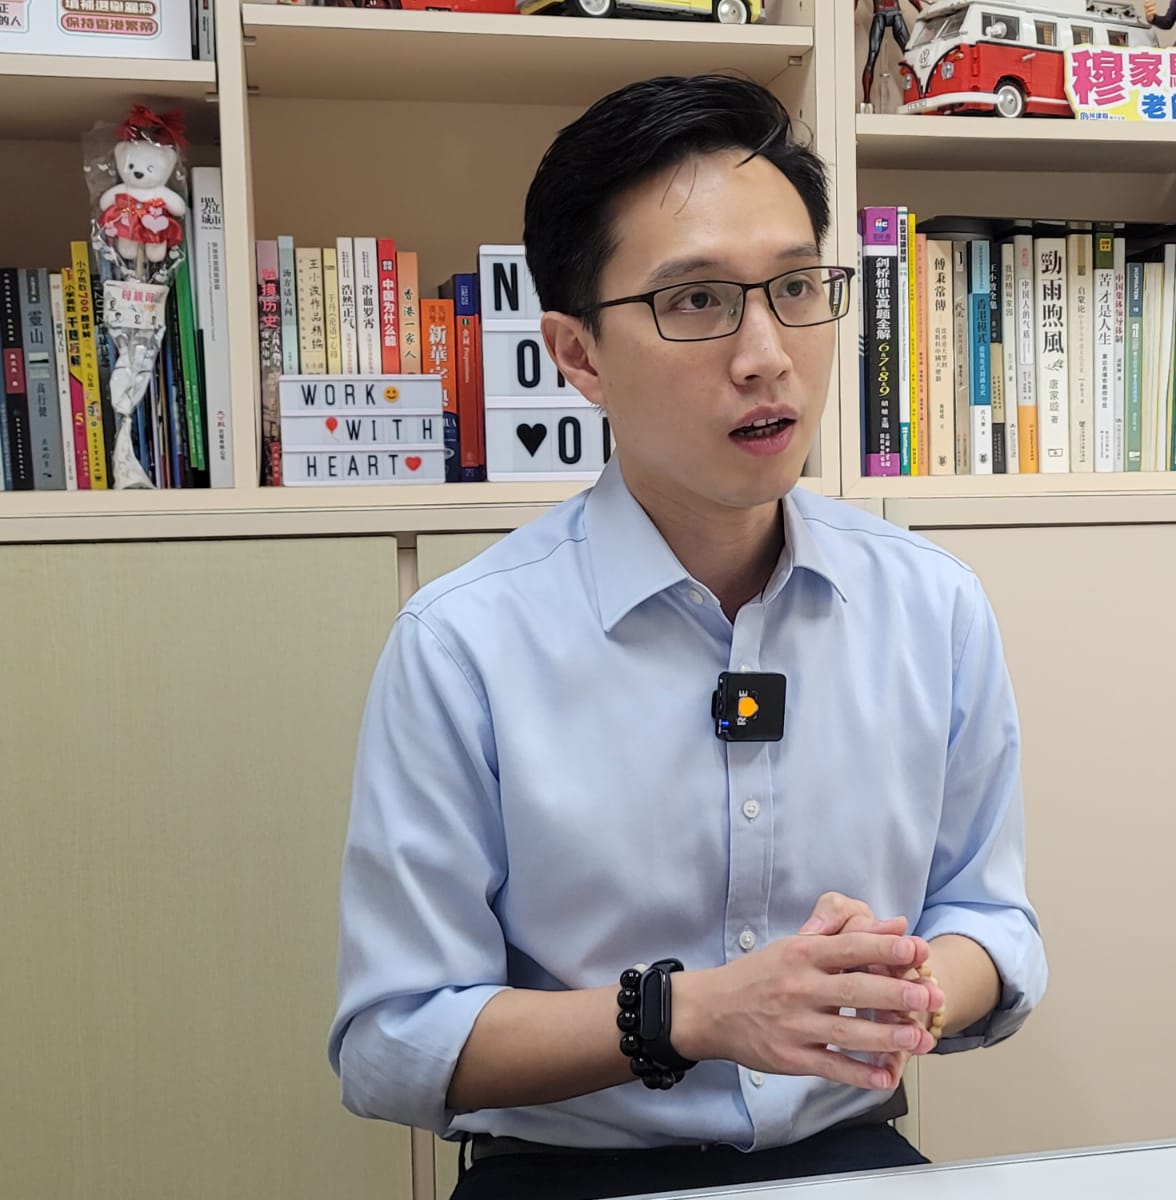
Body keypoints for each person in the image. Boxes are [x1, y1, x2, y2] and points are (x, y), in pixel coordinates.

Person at [327, 72, 1047, 1200]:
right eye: (698, 301)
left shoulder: (931, 605)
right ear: (577, 355)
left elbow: (991, 923)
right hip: (562, 1173)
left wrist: (900, 985)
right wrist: (691, 1014)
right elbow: (390, 1041)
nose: (766, 354)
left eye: (796, 288)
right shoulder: (464, 643)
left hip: (844, 1156)